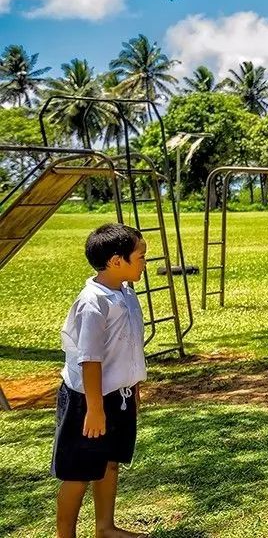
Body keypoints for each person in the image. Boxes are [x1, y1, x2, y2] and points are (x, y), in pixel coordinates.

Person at [52, 223, 148, 538]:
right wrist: (95, 409)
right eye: (140, 257)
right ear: (116, 261)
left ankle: (105, 528)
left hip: (118, 396)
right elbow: (90, 360)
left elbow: (128, 348)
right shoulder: (92, 303)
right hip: (88, 400)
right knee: (78, 473)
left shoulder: (126, 293)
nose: (145, 262)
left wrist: (132, 387)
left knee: (109, 462)